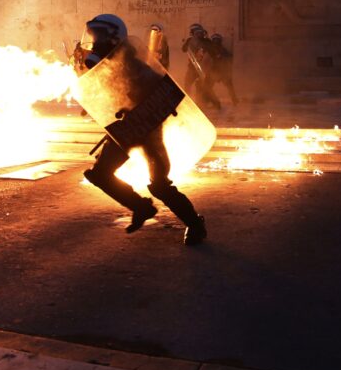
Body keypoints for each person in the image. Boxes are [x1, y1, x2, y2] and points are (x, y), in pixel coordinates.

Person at [79, 14, 206, 246]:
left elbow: (157, 95)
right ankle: (141, 207)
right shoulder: (107, 65)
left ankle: (195, 224)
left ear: (113, 38)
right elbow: (107, 95)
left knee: (159, 185)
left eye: (98, 38)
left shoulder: (133, 64)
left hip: (147, 131)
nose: (94, 43)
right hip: (126, 130)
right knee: (99, 174)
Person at [181, 23, 220, 110]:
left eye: (200, 32)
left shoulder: (207, 42)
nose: (199, 34)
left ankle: (212, 104)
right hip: (192, 68)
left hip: (203, 69)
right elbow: (183, 49)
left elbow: (214, 54)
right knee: (187, 85)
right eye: (197, 32)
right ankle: (187, 103)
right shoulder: (190, 40)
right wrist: (186, 43)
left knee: (203, 88)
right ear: (192, 33)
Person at [208, 33, 239, 107]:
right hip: (214, 71)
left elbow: (228, 57)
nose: (216, 42)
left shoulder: (222, 50)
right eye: (214, 40)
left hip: (222, 71)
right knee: (207, 87)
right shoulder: (210, 50)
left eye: (217, 40)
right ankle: (211, 101)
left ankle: (234, 100)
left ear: (220, 41)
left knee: (229, 86)